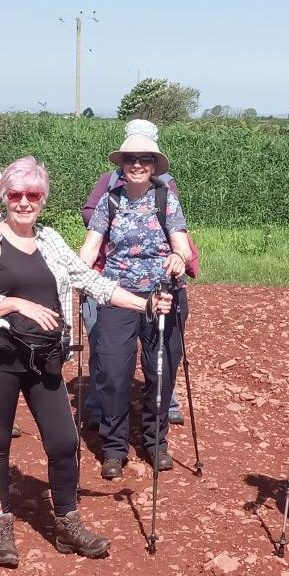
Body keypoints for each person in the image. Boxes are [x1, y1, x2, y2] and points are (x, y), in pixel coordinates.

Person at [0, 156, 171, 566]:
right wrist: (12, 303)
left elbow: (89, 279)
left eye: (32, 195)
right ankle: (0, 526)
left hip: (45, 357)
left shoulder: (50, 240)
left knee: (65, 441)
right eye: (15, 194)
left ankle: (67, 523)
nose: (23, 202)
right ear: (5, 197)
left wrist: (144, 304)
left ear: (42, 199)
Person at [79, 134, 192, 479]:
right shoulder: (109, 202)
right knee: (113, 374)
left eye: (145, 159)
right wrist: (75, 273)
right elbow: (91, 246)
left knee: (161, 371)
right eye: (130, 159)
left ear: (154, 164)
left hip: (163, 296)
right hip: (117, 296)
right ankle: (114, 447)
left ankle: (155, 442)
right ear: (122, 165)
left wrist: (177, 258)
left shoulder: (165, 199)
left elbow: (183, 246)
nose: (137, 165)